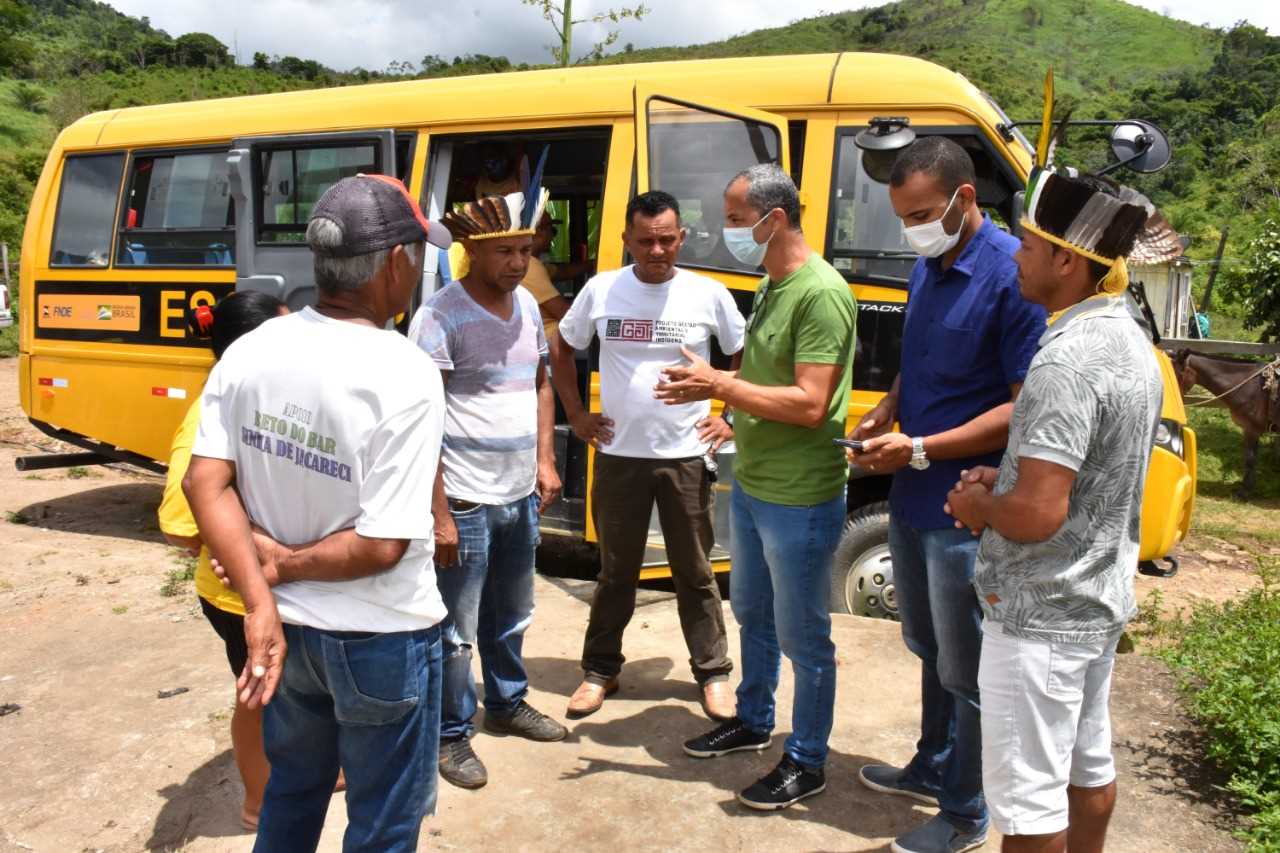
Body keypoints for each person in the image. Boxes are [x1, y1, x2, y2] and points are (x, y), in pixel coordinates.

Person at [184, 174, 453, 852]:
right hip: (380, 637)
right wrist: (285, 562)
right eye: (417, 256)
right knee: (383, 822)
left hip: (289, 637)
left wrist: (259, 596)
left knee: (291, 795)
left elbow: (203, 482)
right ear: (395, 263)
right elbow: (383, 544)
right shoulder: (404, 369)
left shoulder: (251, 349)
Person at [945, 166, 1159, 853]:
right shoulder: (1130, 343)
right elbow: (1085, 475)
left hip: (1040, 617)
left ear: (1068, 261)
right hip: (1093, 603)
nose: (1017, 258)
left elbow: (1037, 514)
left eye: (1029, 246)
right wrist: (1005, 474)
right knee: (1087, 770)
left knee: (1031, 805)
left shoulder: (1064, 359)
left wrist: (981, 504)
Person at [848, 137, 1046, 853]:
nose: (914, 229)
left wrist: (927, 447)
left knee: (969, 669)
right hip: (911, 492)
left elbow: (1024, 407)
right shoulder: (929, 267)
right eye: (903, 217)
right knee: (927, 645)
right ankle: (932, 765)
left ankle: (966, 811)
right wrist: (889, 406)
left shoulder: (1011, 277)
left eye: (925, 213)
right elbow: (922, 361)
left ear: (966, 199)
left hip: (967, 505)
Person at [655, 163, 857, 811]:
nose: (728, 231)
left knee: (805, 636)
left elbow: (809, 402)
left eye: (738, 220)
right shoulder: (772, 283)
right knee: (754, 614)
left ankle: (807, 759)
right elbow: (762, 368)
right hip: (756, 484)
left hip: (800, 495)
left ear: (775, 219)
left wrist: (719, 385)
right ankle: (754, 717)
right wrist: (732, 413)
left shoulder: (821, 293)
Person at [549, 190, 743, 721]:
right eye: (645, 241)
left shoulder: (709, 294)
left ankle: (713, 674)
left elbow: (743, 352)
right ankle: (600, 670)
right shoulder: (602, 290)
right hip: (617, 455)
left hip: (685, 455)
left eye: (665, 239)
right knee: (615, 570)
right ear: (626, 241)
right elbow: (563, 347)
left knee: (695, 571)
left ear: (681, 237)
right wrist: (577, 414)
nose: (656, 250)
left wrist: (730, 412)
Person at [412, 188, 567, 792]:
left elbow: (541, 383)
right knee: (454, 628)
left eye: (524, 251)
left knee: (512, 612)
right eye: (504, 251)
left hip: (518, 494)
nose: (515, 263)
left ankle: (506, 703)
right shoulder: (439, 316)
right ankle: (452, 734)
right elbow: (422, 418)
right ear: (472, 251)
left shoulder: (528, 306)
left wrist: (546, 461)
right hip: (467, 499)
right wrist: (440, 511)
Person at [159, 290, 288, 832]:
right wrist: (237, 549)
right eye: (283, 336)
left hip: (277, 589)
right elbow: (179, 522)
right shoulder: (210, 413)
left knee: (286, 694)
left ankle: (301, 772)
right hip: (237, 597)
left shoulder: (262, 396)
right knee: (256, 697)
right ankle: (257, 804)